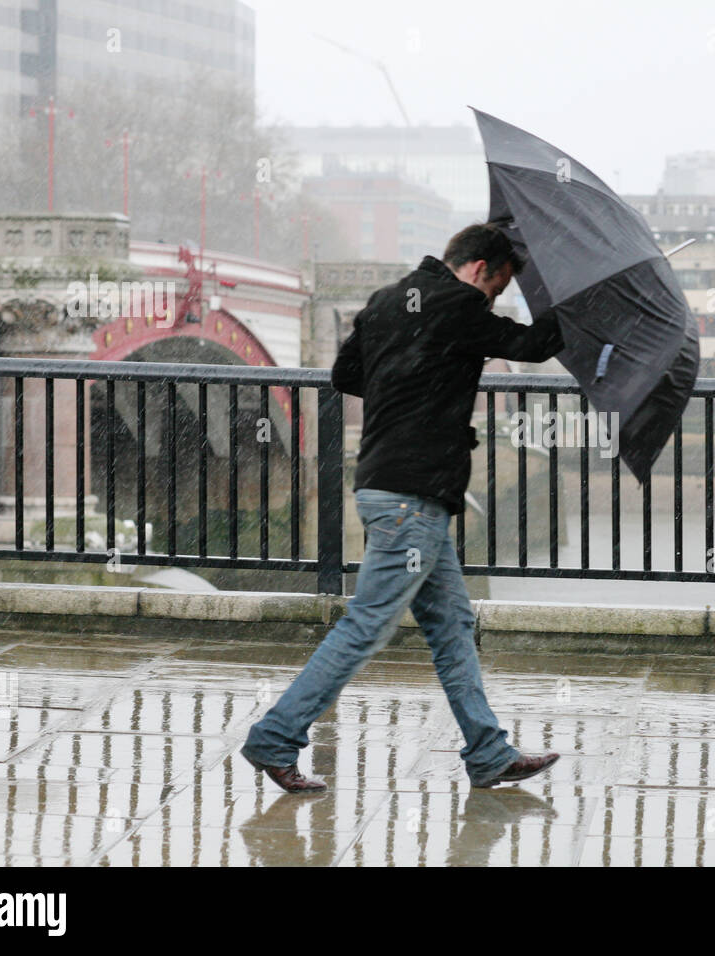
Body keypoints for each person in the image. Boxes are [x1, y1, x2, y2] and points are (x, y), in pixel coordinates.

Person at [241, 223, 563, 793]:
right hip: (413, 499)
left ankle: (489, 753)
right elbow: (532, 346)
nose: (495, 300)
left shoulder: (388, 301)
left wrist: (411, 386)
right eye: (500, 287)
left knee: (453, 624)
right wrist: (576, 307)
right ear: (481, 268)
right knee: (366, 625)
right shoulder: (460, 304)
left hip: (384, 485)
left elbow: (346, 375)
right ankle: (274, 738)